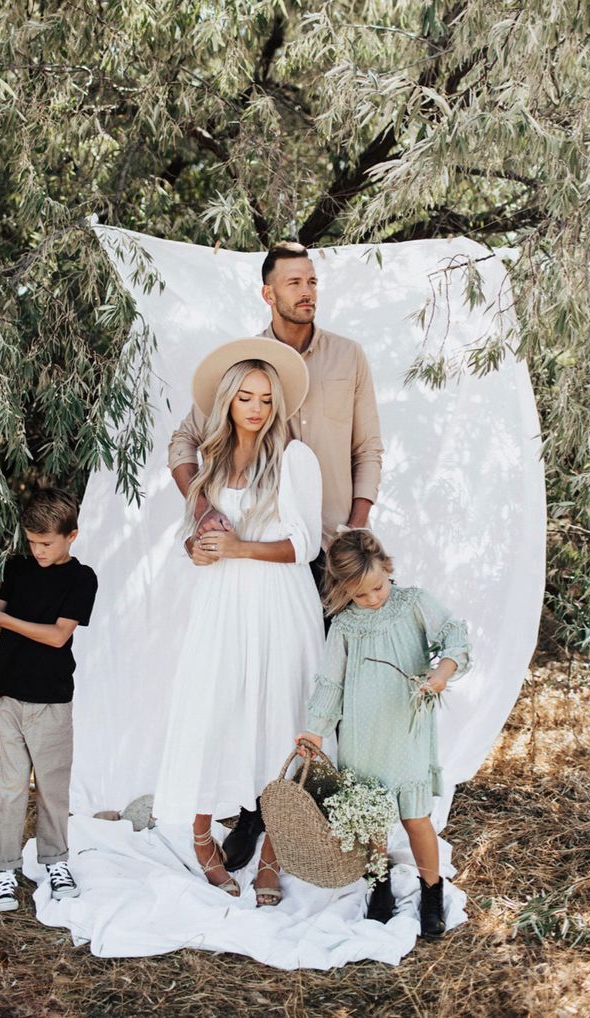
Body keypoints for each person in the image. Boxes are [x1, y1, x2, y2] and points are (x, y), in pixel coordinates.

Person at [168, 241, 384, 868]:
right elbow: (187, 441)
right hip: (250, 559)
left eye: (312, 280)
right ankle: (257, 818)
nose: (306, 290)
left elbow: (368, 447)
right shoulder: (250, 365)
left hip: (329, 548)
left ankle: (325, 818)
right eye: (293, 281)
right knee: (256, 686)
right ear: (269, 292)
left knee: (318, 687)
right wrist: (203, 511)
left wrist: (355, 531)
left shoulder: (348, 357)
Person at [152, 338, 324, 907]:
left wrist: (237, 548)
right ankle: (201, 838)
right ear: (228, 401)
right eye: (246, 397)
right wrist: (198, 549)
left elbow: (302, 544)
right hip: (222, 604)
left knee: (280, 720)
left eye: (266, 399)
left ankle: (272, 855)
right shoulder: (213, 462)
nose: (256, 408)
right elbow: (201, 538)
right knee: (214, 712)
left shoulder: (296, 459)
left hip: (280, 603)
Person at [296, 529, 471, 939]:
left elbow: (454, 636)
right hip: (361, 734)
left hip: (405, 729)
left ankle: (431, 890)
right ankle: (379, 884)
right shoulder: (344, 626)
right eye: (360, 594)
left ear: (387, 568)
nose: (373, 599)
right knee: (371, 817)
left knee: (415, 818)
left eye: (377, 587)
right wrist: (315, 730)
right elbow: (330, 683)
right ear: (343, 591)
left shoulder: (413, 604)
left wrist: (441, 674)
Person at [0, 488, 98, 913]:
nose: (37, 551)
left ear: (71, 535)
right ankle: (4, 869)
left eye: (46, 543)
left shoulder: (81, 578)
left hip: (50, 698)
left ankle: (55, 861)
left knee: (52, 790)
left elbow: (58, 636)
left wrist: (4, 618)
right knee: (10, 787)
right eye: (31, 542)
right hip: (8, 690)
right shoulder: (18, 567)